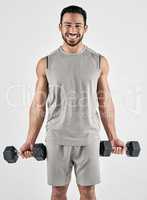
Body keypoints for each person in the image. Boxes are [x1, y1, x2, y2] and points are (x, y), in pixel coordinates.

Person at [19, 5, 125, 200]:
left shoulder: (99, 61)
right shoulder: (46, 63)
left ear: (85, 28)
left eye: (78, 25)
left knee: (88, 192)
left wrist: (114, 137)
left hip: (88, 138)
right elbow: (38, 105)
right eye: (67, 25)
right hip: (57, 138)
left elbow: (105, 102)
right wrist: (30, 140)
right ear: (60, 27)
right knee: (58, 193)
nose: (73, 30)